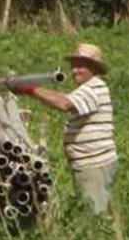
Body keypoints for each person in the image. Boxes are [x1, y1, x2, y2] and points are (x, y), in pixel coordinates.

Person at [11, 42, 116, 215]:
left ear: (94, 68)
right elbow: (65, 98)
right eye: (73, 66)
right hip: (87, 163)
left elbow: (64, 103)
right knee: (90, 207)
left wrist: (30, 89)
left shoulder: (94, 88)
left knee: (94, 214)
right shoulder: (87, 89)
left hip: (94, 163)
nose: (75, 71)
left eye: (80, 66)